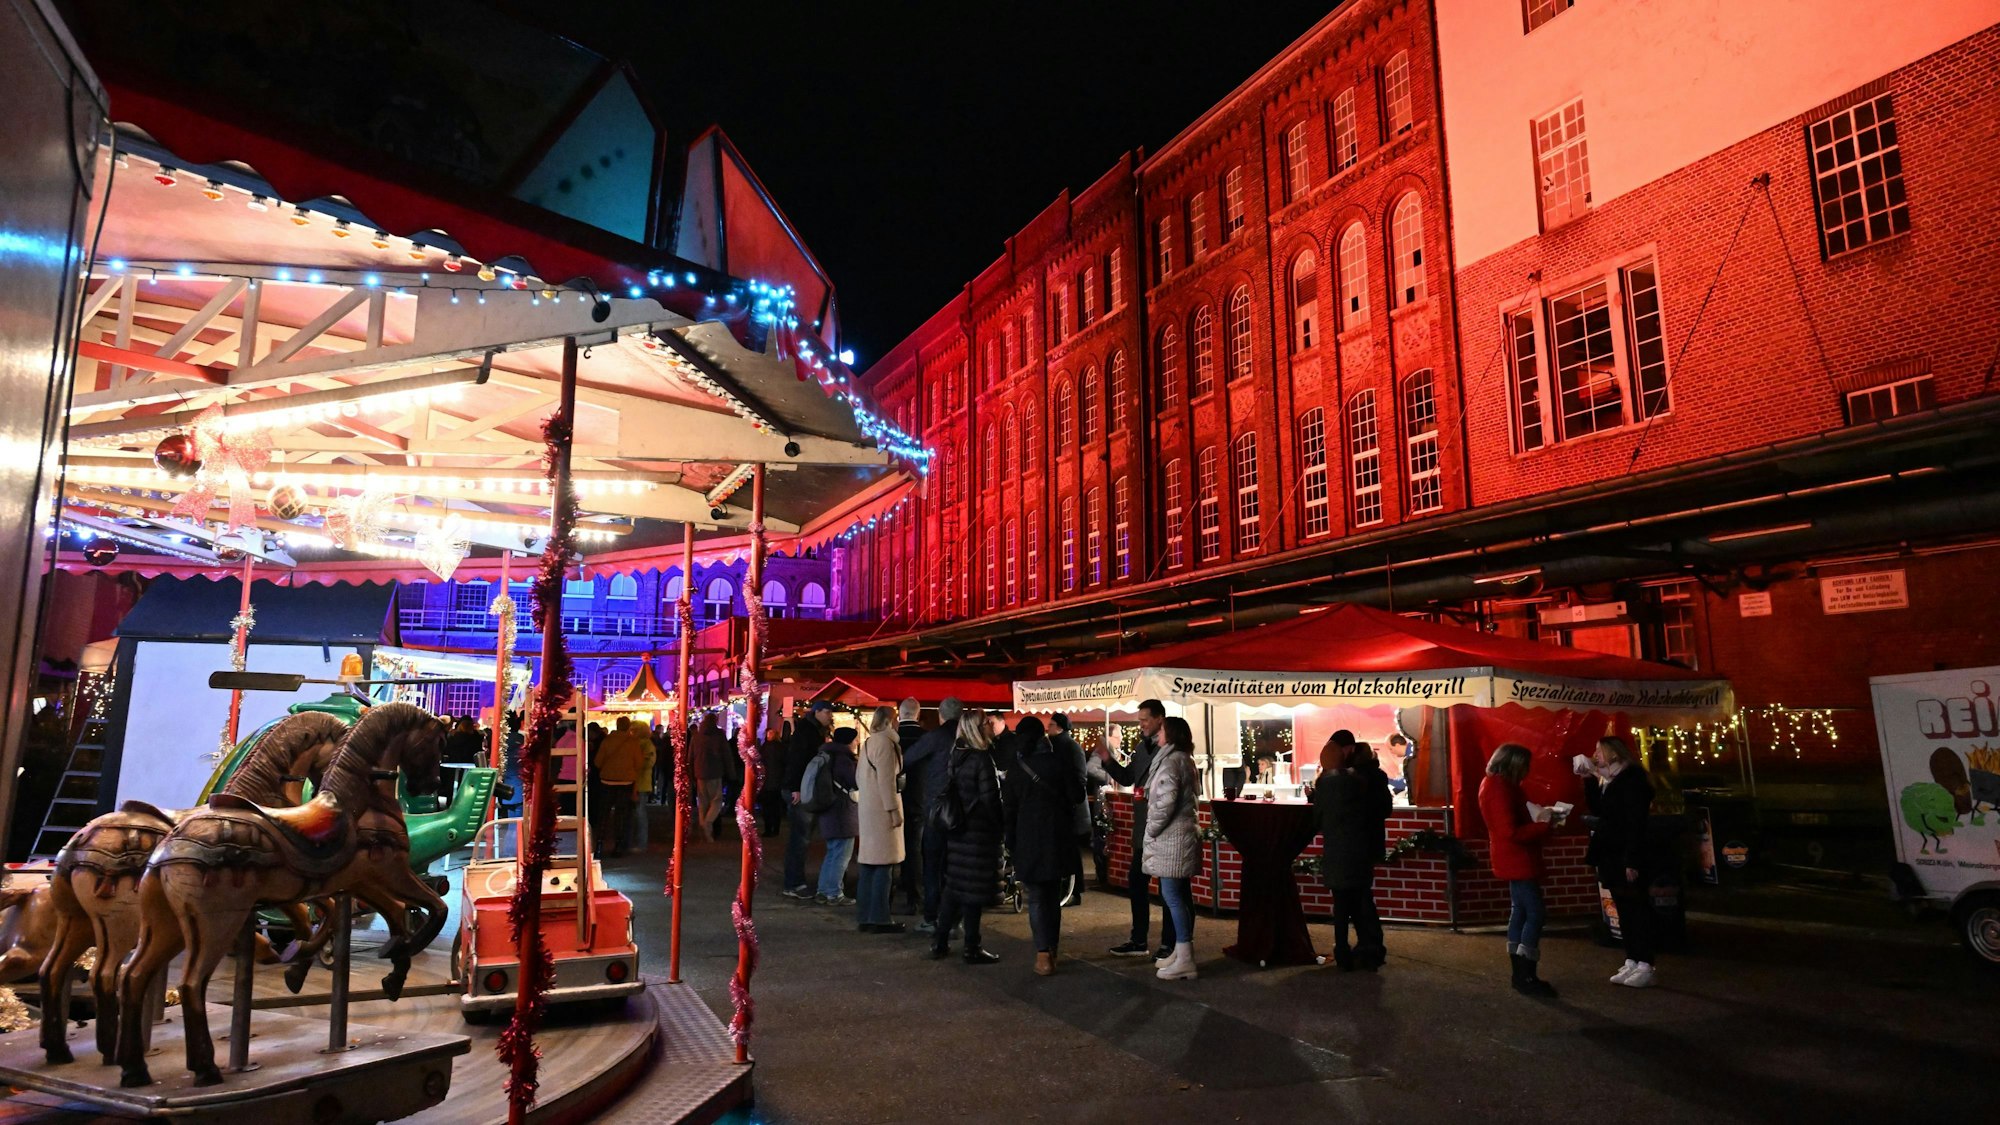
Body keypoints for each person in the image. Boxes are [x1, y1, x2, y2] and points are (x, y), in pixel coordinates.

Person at [1004, 716, 1085, 974]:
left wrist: (1011, 842)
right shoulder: (1059, 762)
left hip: (1029, 838)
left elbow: (1009, 810)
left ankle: (1042, 954)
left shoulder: (1017, 768)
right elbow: (1078, 795)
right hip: (1058, 836)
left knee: (1037, 897)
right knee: (1053, 895)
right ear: (1043, 737)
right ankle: (1052, 949)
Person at [1580, 735, 1659, 988]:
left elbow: (1635, 823)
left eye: (1599, 750)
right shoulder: (1611, 780)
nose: (1596, 755)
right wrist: (1588, 781)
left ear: (1614, 753)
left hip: (1625, 854)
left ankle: (1645, 962)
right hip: (1612, 854)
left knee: (1635, 908)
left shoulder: (1631, 781)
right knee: (1623, 909)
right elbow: (1600, 811)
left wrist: (1631, 860)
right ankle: (1632, 959)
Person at [1480, 742, 1557, 997]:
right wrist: (1544, 824)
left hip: (1510, 857)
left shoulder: (1495, 785)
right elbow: (1510, 831)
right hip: (1517, 857)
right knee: (1534, 913)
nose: (1527, 770)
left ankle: (1520, 972)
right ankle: (1526, 973)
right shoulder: (1500, 788)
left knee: (1521, 911)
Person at [1097, 699, 1172, 959]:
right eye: (1139, 719)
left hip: (1163, 830)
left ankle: (1169, 944)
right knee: (1137, 883)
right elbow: (1129, 778)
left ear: (1160, 719)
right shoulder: (1142, 747)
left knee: (1168, 891)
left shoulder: (1171, 749)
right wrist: (1107, 759)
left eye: (1144, 720)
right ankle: (1139, 940)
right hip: (1143, 830)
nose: (1140, 724)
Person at [930, 709, 1005, 965]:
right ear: (977, 728)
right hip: (979, 833)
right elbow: (990, 800)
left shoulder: (957, 755)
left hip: (958, 830)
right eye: (986, 722)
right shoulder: (982, 760)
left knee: (955, 888)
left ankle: (940, 941)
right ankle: (972, 947)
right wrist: (1001, 827)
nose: (990, 726)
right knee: (973, 891)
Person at [1313, 737, 1391, 971]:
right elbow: (1382, 810)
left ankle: (1349, 950)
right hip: (1361, 848)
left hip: (1338, 850)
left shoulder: (1331, 784)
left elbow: (1318, 820)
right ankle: (1370, 949)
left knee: (1345, 904)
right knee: (1362, 900)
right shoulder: (1364, 781)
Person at [1145, 716, 1202, 981]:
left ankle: (1185, 958)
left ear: (1172, 734)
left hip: (1172, 839)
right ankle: (1181, 952)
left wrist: (1152, 828)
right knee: (1179, 895)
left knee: (1173, 896)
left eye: (1163, 730)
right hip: (1182, 836)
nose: (1158, 734)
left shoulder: (1171, 761)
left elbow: (1165, 802)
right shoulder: (1184, 759)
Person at [905, 696, 961, 933]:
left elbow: (908, 758)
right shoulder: (970, 738)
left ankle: (931, 916)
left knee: (933, 864)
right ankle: (954, 920)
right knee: (956, 866)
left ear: (941, 715)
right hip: (963, 810)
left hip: (936, 809)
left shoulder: (935, 737)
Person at [855, 705, 907, 933]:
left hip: (868, 809)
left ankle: (865, 916)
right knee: (884, 867)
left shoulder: (868, 743)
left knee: (868, 865)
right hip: (882, 812)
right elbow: (888, 782)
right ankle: (880, 918)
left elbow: (860, 777)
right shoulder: (887, 744)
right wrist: (894, 811)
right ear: (890, 721)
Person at [782, 702, 834, 898]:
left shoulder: (811, 729)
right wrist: (796, 788)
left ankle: (795, 881)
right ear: (817, 712)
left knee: (801, 838)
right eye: (827, 712)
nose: (830, 716)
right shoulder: (808, 731)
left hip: (803, 788)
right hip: (801, 790)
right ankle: (793, 883)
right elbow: (797, 759)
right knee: (800, 838)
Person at [1048, 713, 1096, 904]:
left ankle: (1073, 892)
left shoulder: (1070, 747)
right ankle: (1068, 890)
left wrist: (1068, 796)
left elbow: (1080, 778)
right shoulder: (1058, 746)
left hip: (1072, 810)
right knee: (1066, 852)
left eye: (1051, 725)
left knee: (1070, 853)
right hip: (1066, 809)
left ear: (1060, 727)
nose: (1048, 728)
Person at [814, 726, 861, 905]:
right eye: (855, 739)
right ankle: (834, 893)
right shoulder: (844, 760)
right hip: (842, 812)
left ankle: (823, 890)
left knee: (833, 852)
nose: (857, 742)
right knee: (842, 854)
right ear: (849, 741)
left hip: (829, 810)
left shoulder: (827, 756)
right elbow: (855, 781)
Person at [594, 717, 646, 857]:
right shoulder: (633, 743)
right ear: (628, 727)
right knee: (621, 815)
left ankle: (599, 844)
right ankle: (618, 846)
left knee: (604, 814)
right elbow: (639, 763)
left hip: (607, 781)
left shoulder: (607, 741)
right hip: (626, 782)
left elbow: (598, 762)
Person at [894, 698, 926, 914]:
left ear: (900, 714)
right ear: (918, 714)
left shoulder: (892, 738)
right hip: (919, 799)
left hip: (892, 799)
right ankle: (914, 893)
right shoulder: (926, 738)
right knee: (914, 847)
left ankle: (888, 891)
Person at [692, 713, 730, 842]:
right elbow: (726, 755)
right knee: (716, 800)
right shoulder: (719, 735)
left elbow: (691, 756)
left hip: (699, 773)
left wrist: (691, 773)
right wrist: (731, 773)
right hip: (715, 772)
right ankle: (708, 822)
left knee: (703, 802)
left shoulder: (696, 736)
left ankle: (704, 828)